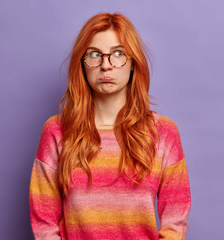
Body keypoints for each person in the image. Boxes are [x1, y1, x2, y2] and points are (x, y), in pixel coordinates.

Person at [29, 12, 191, 240]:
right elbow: (44, 223)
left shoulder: (163, 132)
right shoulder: (57, 130)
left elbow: (175, 221)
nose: (106, 65)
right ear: (82, 64)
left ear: (133, 62)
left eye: (118, 54)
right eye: (95, 55)